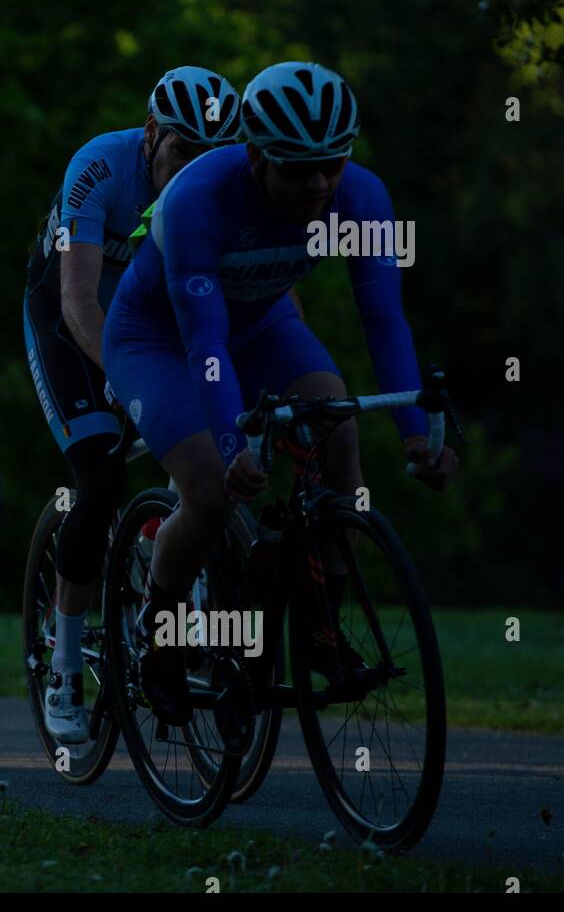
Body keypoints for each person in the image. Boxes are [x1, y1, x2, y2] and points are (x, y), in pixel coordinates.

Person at [102, 61, 460, 725]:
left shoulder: (362, 199)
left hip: (263, 324)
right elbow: (205, 343)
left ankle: (321, 629)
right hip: (160, 340)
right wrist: (237, 445)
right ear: (256, 155)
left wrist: (417, 433)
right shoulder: (195, 199)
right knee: (210, 488)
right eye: (298, 169)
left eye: (331, 164)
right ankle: (161, 631)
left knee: (339, 431)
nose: (318, 184)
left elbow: (384, 323)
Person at [23, 66, 243, 744]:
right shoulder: (99, 168)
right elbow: (78, 300)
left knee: (213, 469)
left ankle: (178, 618)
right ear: (150, 135)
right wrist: (119, 378)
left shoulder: (227, 187)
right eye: (181, 152)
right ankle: (63, 665)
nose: (192, 173)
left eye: (210, 157)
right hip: (71, 318)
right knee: (100, 475)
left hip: (154, 318)